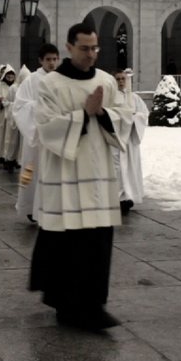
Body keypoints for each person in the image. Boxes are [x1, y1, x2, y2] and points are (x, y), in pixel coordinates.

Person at [29, 22, 130, 331]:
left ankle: (93, 304)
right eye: (85, 48)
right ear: (69, 48)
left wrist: (103, 113)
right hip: (65, 174)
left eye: (95, 48)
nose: (91, 54)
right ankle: (65, 302)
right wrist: (83, 113)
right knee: (66, 243)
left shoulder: (105, 81)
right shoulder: (51, 84)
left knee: (98, 242)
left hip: (98, 175)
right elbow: (45, 127)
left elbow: (123, 117)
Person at [13, 43, 60, 222]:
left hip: (56, 133)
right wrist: (40, 107)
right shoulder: (31, 80)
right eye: (48, 59)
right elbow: (20, 106)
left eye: (55, 59)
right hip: (37, 135)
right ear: (41, 60)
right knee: (34, 171)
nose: (52, 63)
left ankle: (51, 208)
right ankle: (32, 207)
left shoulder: (62, 79)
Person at [112, 69, 148, 214]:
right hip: (117, 139)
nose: (121, 82)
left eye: (123, 79)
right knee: (118, 169)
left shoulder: (134, 98)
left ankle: (130, 196)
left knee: (130, 168)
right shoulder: (110, 98)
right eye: (118, 79)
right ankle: (117, 198)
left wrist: (134, 117)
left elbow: (144, 114)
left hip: (130, 141)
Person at [0, 65, 16, 165]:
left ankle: (9, 155)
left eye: (11, 77)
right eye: (8, 76)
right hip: (3, 114)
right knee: (1, 135)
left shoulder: (15, 87)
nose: (10, 78)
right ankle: (0, 154)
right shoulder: (0, 86)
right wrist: (0, 100)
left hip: (12, 114)